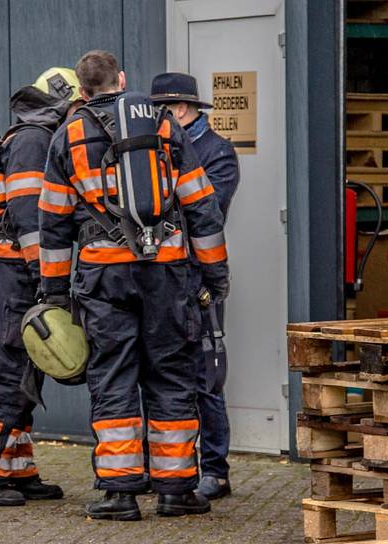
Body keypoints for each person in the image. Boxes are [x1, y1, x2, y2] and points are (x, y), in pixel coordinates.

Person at [37, 51, 230, 521]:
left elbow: (54, 221)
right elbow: (200, 203)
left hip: (103, 275)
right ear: (122, 80)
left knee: (113, 376)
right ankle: (176, 490)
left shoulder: (68, 134)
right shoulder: (162, 124)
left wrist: (55, 291)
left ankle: (120, 492)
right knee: (171, 374)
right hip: (166, 270)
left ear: (82, 90)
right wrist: (215, 274)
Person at [0, 68, 82, 506]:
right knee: (13, 375)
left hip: (16, 272)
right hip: (18, 274)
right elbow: (31, 221)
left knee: (28, 374)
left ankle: (17, 468)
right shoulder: (33, 141)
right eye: (76, 107)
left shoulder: (37, 136)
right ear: (62, 102)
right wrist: (46, 281)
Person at [151, 72, 241, 500]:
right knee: (163, 374)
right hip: (161, 277)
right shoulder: (153, 150)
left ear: (181, 110)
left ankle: (215, 470)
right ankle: (171, 468)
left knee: (206, 375)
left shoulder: (216, 153)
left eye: (161, 111)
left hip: (197, 277)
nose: (154, 119)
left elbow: (208, 212)